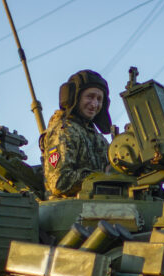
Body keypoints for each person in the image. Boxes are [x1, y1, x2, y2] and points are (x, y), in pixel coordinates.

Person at [40, 69, 112, 199]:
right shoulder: (63, 131)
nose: (94, 104)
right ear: (75, 97)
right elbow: (59, 182)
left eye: (99, 99)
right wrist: (102, 177)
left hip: (96, 208)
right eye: (89, 97)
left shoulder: (96, 137)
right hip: (67, 212)